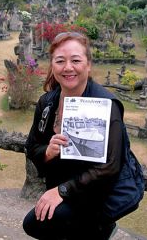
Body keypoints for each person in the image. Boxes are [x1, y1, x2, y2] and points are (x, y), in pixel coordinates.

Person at [23, 32, 130, 239]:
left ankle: (101, 227)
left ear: (88, 65)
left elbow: (111, 165)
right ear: (52, 65)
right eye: (60, 61)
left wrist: (62, 191)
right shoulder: (47, 103)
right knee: (36, 225)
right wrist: (48, 151)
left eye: (76, 60)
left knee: (38, 223)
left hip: (94, 193)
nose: (68, 67)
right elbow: (31, 146)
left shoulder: (107, 105)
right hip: (60, 187)